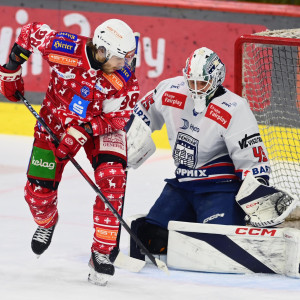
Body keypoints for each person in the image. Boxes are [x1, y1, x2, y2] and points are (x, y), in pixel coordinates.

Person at [0, 19, 139, 286]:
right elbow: (29, 31)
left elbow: (120, 117)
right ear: (102, 51)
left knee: (113, 180)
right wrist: (11, 69)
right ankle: (47, 220)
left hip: (101, 127)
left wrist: (84, 130)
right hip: (53, 122)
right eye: (120, 58)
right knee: (38, 193)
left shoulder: (123, 77)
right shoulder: (64, 47)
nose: (125, 64)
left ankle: (101, 252)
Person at [125, 47, 273, 255]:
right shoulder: (170, 90)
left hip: (220, 188)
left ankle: (216, 219)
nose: (196, 89)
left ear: (216, 79)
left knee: (216, 248)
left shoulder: (234, 108)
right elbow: (142, 113)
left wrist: (257, 193)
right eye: (191, 82)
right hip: (183, 185)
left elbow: (252, 158)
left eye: (202, 83)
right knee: (150, 239)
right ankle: (192, 219)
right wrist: (126, 137)